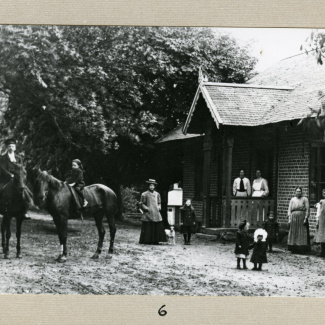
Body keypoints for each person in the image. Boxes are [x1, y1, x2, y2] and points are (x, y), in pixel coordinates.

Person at [0, 138, 30, 220]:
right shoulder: (2, 157)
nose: (11, 148)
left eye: (13, 146)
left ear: (15, 148)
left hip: (17, 179)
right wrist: (10, 175)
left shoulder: (18, 157)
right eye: (9, 146)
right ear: (7, 147)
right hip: (6, 179)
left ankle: (25, 211)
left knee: (26, 191)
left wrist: (23, 174)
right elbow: (2, 168)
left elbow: (21, 168)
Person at [139, 179, 167, 245]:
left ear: (154, 186)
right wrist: (147, 208)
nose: (152, 187)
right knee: (148, 227)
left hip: (156, 213)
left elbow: (159, 202)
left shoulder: (157, 194)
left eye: (153, 185)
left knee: (156, 226)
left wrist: (159, 207)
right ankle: (147, 240)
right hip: (148, 213)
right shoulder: (144, 194)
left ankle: (156, 240)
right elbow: (141, 203)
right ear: (148, 186)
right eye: (150, 185)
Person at [287, 186, 310, 254]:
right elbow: (289, 209)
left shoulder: (305, 199)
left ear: (301, 192)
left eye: (299, 191)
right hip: (293, 217)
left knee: (302, 232)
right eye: (297, 191)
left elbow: (307, 209)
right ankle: (294, 248)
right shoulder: (292, 199)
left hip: (302, 217)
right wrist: (289, 218)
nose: (298, 192)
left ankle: (301, 249)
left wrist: (306, 218)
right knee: (294, 232)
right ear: (295, 192)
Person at [315, 189, 325, 257]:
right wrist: (317, 220)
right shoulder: (321, 202)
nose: (324, 193)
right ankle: (323, 251)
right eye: (323, 192)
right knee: (322, 235)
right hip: (322, 220)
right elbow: (318, 212)